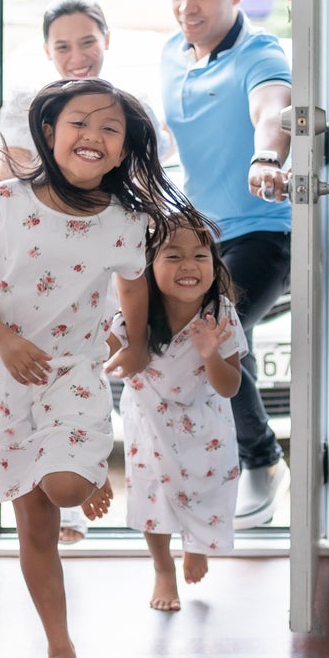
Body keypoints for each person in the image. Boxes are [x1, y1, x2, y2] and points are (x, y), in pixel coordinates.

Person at [0, 79, 206, 658]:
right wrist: (4, 340)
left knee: (66, 487)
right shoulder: (0, 201)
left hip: (72, 374)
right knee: (35, 523)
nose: (93, 135)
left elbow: (135, 288)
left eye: (110, 130)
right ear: (49, 131)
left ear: (123, 151)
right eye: (79, 121)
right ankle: (61, 651)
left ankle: (81, 468)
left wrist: (135, 342)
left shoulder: (128, 221)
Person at [0, 0, 169, 543]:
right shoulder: (31, 107)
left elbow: (153, 183)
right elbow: (8, 173)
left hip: (99, 261)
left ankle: (87, 471)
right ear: (47, 51)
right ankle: (64, 496)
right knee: (30, 388)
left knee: (90, 370)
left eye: (87, 41)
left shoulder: (126, 111)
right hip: (33, 267)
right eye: (63, 45)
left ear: (106, 40)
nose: (77, 54)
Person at [159, 0, 292, 530]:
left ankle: (263, 462)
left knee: (215, 327)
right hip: (201, 236)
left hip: (265, 231)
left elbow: (275, 108)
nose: (189, 6)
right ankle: (216, 468)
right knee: (216, 332)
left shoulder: (258, 54)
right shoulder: (171, 54)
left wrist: (268, 158)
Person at [108, 221, 246, 610]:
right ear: (148, 266)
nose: (189, 265)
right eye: (174, 256)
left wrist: (210, 355)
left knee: (207, 488)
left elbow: (230, 386)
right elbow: (105, 350)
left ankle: (198, 543)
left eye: (200, 256)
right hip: (148, 421)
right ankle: (163, 569)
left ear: (214, 265)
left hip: (206, 422)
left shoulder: (221, 314)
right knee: (154, 495)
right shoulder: (136, 313)